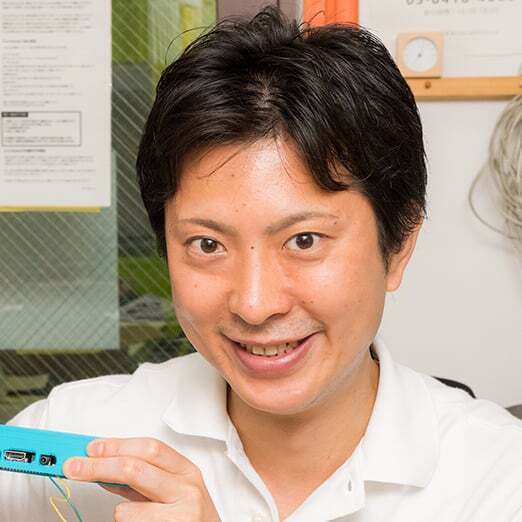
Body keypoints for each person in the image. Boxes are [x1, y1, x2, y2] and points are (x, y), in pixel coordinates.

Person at [2, 6, 521, 522]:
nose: (254, 304)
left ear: (399, 244)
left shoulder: (498, 477)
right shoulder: (69, 433)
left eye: (304, 240)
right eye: (207, 245)